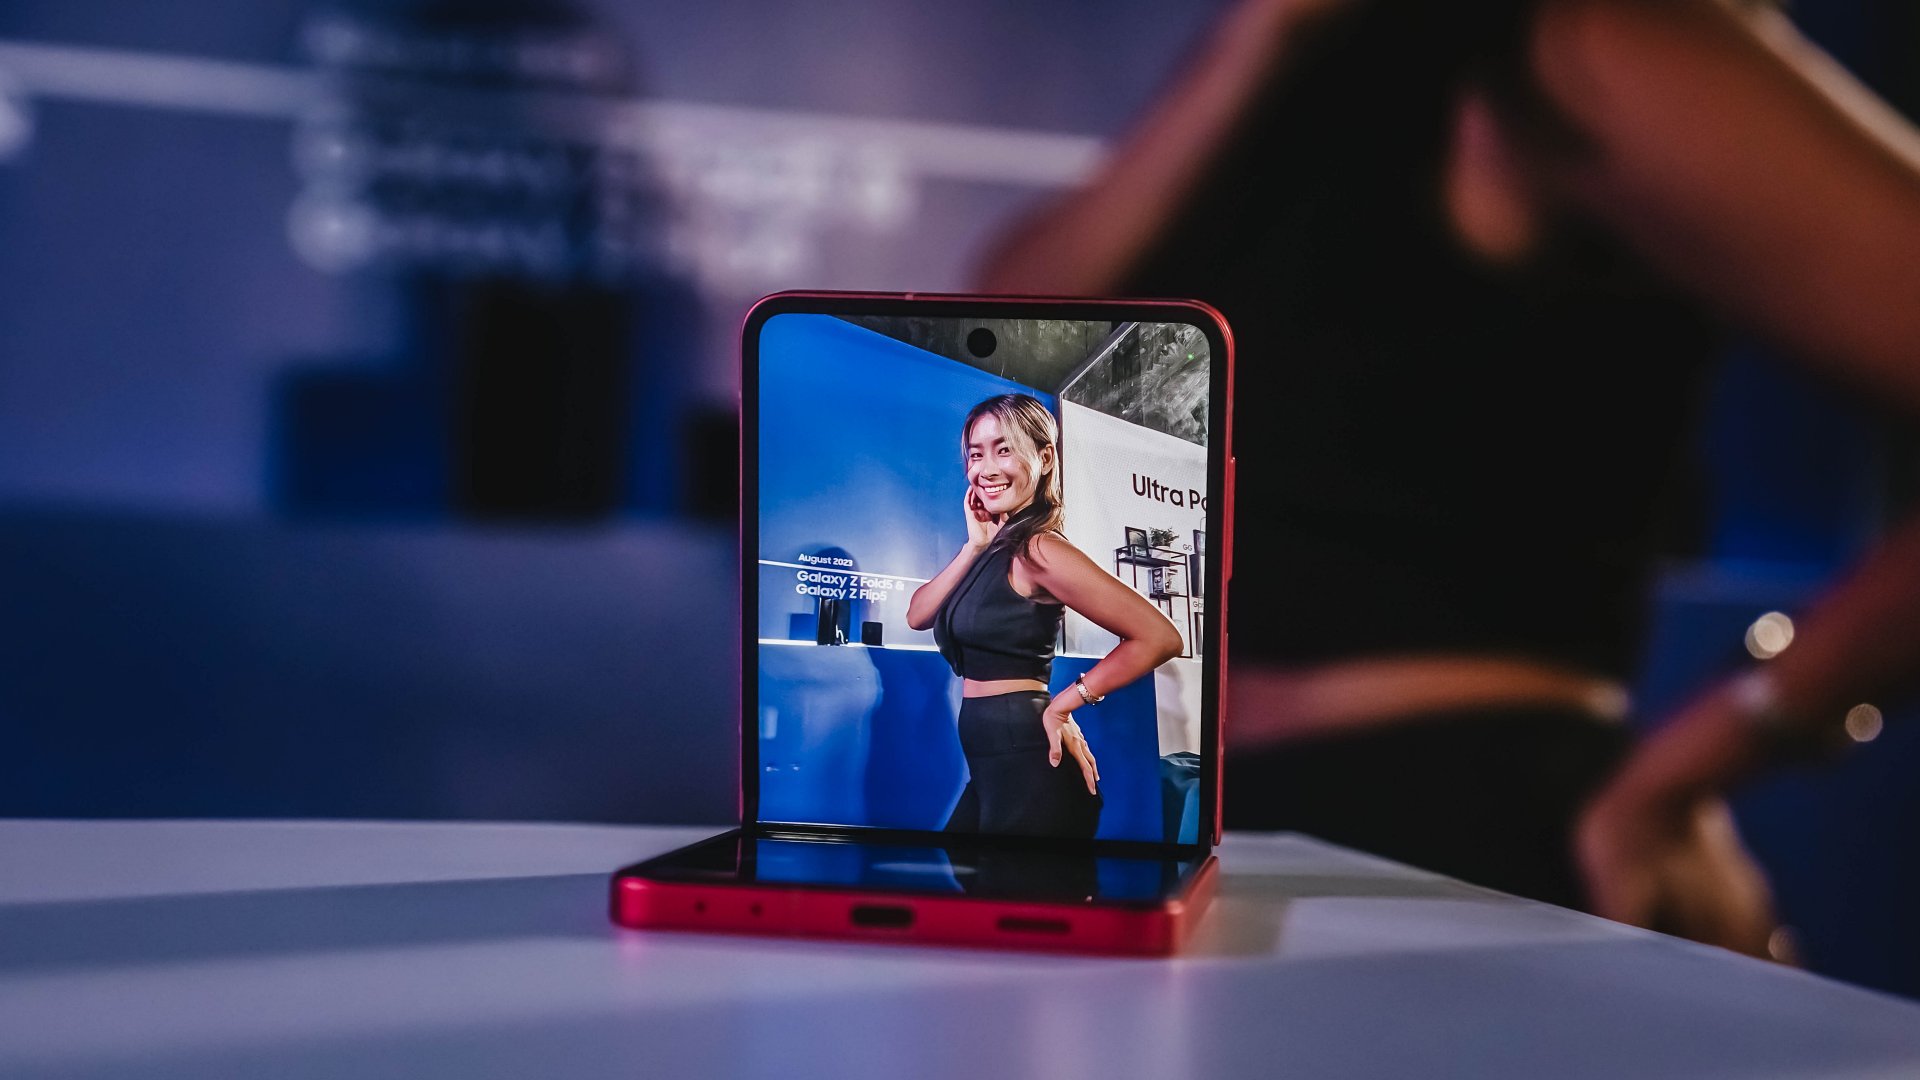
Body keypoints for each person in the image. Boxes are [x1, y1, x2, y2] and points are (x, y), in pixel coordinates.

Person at [976, 0, 1920, 953]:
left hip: (1453, 835)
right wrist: (1250, 39)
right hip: (1207, 830)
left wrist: (1730, 741)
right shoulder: (1281, 55)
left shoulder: (1594, 40)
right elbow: (1015, 342)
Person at [906, 393, 1185, 839]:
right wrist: (973, 546)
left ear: (1045, 457)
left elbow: (1160, 637)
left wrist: (1065, 704)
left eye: (1004, 450)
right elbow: (918, 615)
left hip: (1030, 759)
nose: (986, 469)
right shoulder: (993, 547)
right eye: (976, 455)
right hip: (994, 763)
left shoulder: (1039, 547)